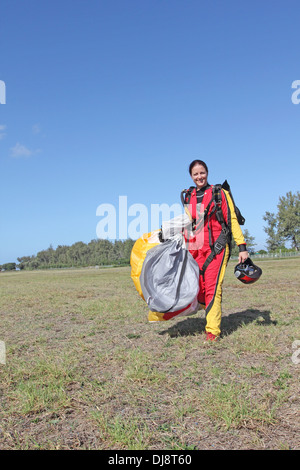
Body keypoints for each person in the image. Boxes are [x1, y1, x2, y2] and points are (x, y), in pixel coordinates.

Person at [184, 160, 249, 342]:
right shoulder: (188, 196)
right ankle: (207, 311)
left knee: (213, 287)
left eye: (202, 173)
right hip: (195, 248)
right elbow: (190, 224)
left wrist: (242, 247)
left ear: (207, 172)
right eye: (195, 174)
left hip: (217, 247)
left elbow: (232, 220)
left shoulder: (220, 193)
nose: (199, 177)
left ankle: (212, 331)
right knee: (197, 287)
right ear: (191, 176)